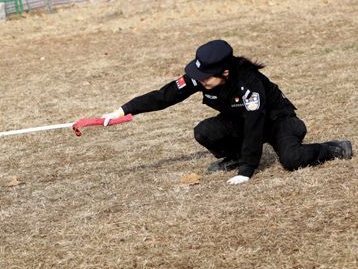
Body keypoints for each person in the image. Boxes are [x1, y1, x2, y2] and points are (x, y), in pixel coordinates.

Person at [102, 39, 352, 185]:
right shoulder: (200, 78)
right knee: (205, 131)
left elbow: (256, 124)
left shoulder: (249, 84)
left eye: (204, 77)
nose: (198, 81)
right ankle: (232, 155)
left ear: (225, 73)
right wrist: (122, 110)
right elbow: (163, 96)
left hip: (277, 121)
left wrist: (247, 171)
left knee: (292, 160)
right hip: (240, 121)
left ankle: (333, 149)